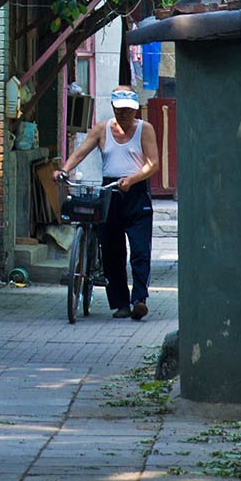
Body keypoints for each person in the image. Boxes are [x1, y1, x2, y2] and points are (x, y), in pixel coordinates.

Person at [60, 87, 160, 319]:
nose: (125, 115)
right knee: (112, 252)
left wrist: (132, 179)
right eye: (121, 110)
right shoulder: (102, 130)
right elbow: (80, 153)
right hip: (110, 192)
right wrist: (64, 170)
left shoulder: (145, 129)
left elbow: (153, 163)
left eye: (129, 110)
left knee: (140, 250)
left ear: (135, 109)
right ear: (114, 108)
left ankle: (139, 299)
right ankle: (120, 304)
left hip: (136, 192)